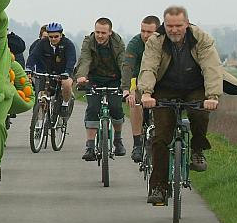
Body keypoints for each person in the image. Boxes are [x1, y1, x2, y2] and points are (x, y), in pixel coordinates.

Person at [139, 6, 237, 205]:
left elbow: (212, 68)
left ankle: (197, 150)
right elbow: (148, 67)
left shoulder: (202, 39)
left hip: (195, 86)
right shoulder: (156, 41)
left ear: (187, 24)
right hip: (166, 87)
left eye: (178, 25)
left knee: (200, 114)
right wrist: (146, 93)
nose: (173, 30)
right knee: (161, 136)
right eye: (169, 25)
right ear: (164, 25)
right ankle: (159, 187)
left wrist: (213, 96)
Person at [74, 17, 126, 160]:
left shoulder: (118, 43)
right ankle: (90, 146)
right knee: (93, 108)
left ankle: (118, 140)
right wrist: (82, 76)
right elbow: (85, 59)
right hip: (94, 78)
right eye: (97, 32)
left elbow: (123, 62)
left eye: (103, 33)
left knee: (116, 108)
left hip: (114, 78)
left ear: (110, 32)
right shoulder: (89, 41)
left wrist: (126, 84)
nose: (100, 36)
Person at [121, 15, 161, 162]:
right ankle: (137, 144)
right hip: (138, 80)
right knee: (135, 102)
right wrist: (126, 89)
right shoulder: (135, 43)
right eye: (142, 31)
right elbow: (127, 66)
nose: (145, 35)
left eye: (149, 32)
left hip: (159, 81)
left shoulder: (164, 42)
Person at [26, 22, 77, 117]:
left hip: (63, 73)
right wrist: (29, 67)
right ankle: (40, 120)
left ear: (61, 35)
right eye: (51, 37)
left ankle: (65, 104)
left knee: (66, 84)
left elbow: (71, 60)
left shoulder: (68, 44)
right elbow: (34, 55)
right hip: (47, 73)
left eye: (56, 36)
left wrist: (67, 72)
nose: (53, 39)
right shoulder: (43, 43)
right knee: (40, 95)